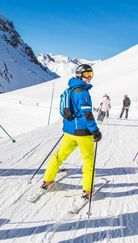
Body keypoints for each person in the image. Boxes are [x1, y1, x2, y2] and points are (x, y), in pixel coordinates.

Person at [41, 64, 102, 199]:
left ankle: (48, 179)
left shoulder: (70, 89)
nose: (89, 77)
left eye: (91, 74)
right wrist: (95, 131)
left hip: (69, 132)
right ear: (80, 75)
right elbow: (87, 114)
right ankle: (87, 189)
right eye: (86, 75)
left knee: (60, 155)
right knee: (88, 161)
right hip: (83, 133)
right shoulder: (83, 93)